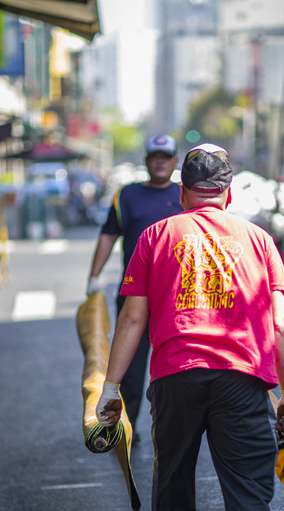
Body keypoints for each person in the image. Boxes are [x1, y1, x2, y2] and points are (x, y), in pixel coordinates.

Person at [95, 143, 284, 511]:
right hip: (242, 379)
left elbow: (132, 317)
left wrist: (111, 386)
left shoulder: (156, 236)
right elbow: (280, 324)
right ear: (227, 193)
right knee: (248, 484)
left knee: (174, 476)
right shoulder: (258, 240)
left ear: (183, 192)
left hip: (175, 376)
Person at [87, 134, 184, 439]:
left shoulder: (186, 195)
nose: (160, 161)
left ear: (174, 161)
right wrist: (94, 278)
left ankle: (177, 425)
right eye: (154, 156)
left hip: (178, 295)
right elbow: (107, 235)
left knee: (179, 363)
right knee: (130, 362)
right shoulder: (126, 196)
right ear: (146, 161)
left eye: (165, 156)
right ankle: (123, 426)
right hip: (136, 293)